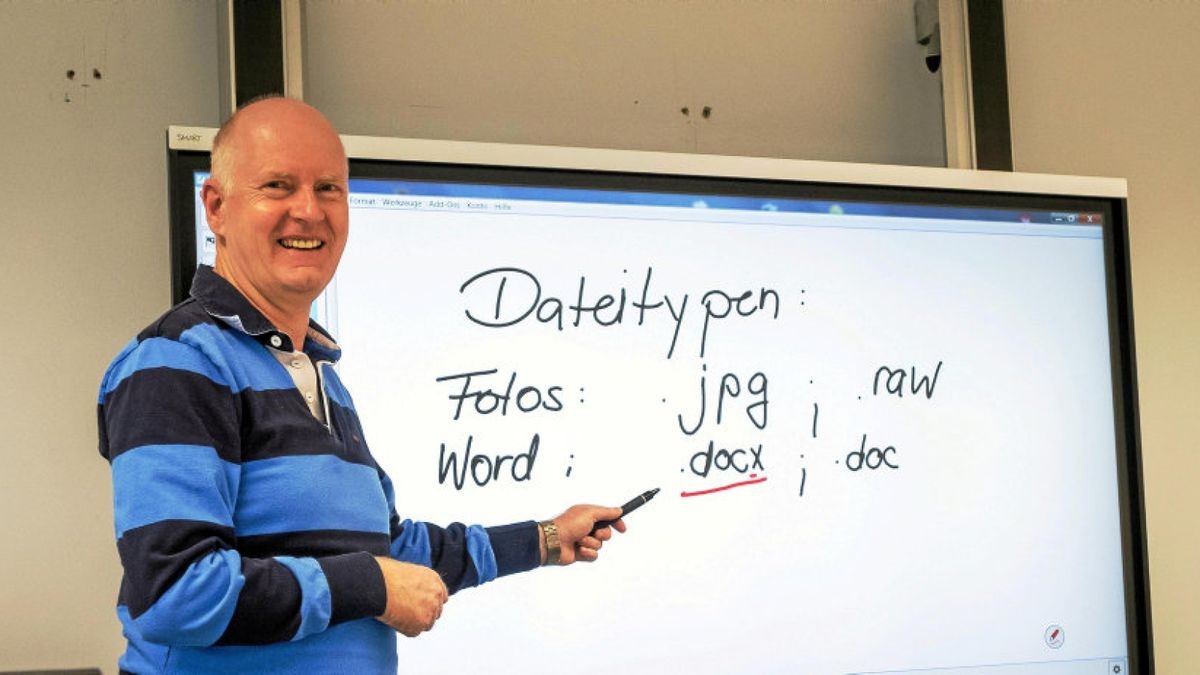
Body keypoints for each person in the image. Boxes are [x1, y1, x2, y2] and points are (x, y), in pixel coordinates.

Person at [96, 97, 625, 674]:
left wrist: (547, 538)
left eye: (329, 189)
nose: (308, 211)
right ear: (217, 208)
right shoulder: (179, 361)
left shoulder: (319, 374)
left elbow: (388, 551)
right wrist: (370, 584)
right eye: (277, 185)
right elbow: (177, 593)